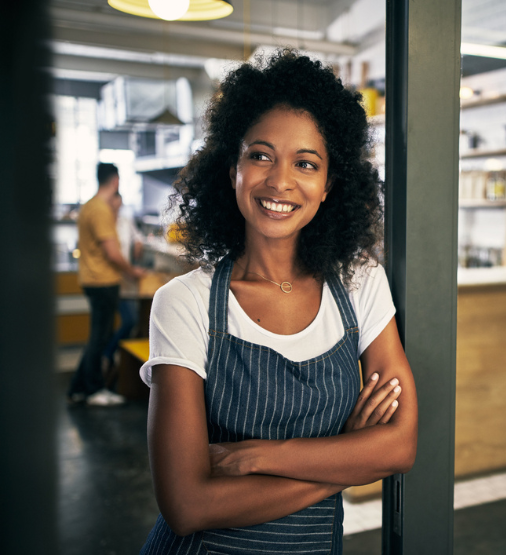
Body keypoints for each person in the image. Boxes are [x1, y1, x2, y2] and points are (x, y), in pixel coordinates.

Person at [139, 50, 418, 554]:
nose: (280, 181)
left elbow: (399, 446)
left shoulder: (360, 283)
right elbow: (186, 506)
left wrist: (259, 456)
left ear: (330, 184)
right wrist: (344, 459)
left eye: (305, 163)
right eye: (260, 155)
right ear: (232, 170)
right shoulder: (185, 303)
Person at [68, 163, 145, 407]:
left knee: (97, 336)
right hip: (103, 281)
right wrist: (132, 271)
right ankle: (94, 390)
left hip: (92, 279)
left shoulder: (89, 206)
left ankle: (78, 388)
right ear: (115, 182)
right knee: (99, 338)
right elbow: (112, 253)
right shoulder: (101, 209)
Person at [103, 192, 144, 380]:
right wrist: (130, 270)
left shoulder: (125, 221)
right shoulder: (104, 223)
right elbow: (111, 254)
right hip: (110, 280)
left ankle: (112, 360)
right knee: (128, 320)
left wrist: (137, 244)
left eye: (119, 206)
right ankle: (107, 354)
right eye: (114, 205)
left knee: (131, 322)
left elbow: (138, 237)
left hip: (125, 281)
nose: (116, 209)